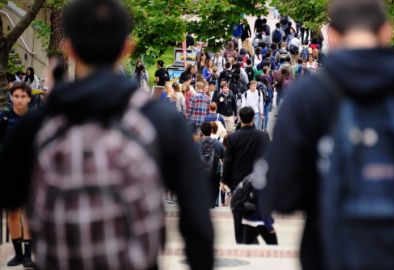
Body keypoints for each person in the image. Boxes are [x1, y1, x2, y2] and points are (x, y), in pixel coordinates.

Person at [0, 1, 214, 269]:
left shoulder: (38, 124)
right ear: (127, 48)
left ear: (69, 48)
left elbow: (9, 195)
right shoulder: (160, 119)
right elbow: (197, 220)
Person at [263, 0, 394, 269]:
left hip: (329, 251)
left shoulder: (308, 95)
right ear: (387, 31)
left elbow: (281, 194)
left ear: (333, 35)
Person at [222, 106, 271, 244]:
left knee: (239, 215)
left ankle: (244, 241)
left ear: (240, 118)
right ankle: (251, 240)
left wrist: (224, 180)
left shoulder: (233, 138)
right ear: (253, 118)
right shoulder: (263, 136)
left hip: (239, 184)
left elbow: (228, 161)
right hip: (258, 183)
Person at [0, 82, 35, 268]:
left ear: (29, 98)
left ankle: (28, 255)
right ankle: (18, 254)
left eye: (23, 96)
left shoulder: (34, 118)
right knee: (13, 214)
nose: (19, 100)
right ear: (11, 97)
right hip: (10, 172)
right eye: (16, 96)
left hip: (31, 171)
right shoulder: (4, 118)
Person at [199, 122, 225, 208]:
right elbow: (225, 158)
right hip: (214, 174)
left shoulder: (196, 145)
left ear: (201, 132)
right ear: (211, 131)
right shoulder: (218, 144)